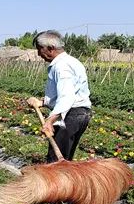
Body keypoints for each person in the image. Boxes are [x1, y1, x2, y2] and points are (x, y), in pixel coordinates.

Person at [26, 30, 92, 163]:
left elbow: (67, 96)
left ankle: (60, 177)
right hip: (80, 114)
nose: (39, 54)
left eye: (40, 49)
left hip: (70, 115)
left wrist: (50, 120)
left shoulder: (62, 66)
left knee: (56, 163)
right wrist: (42, 102)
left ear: (50, 48)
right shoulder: (72, 61)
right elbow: (71, 91)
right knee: (65, 160)